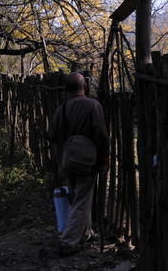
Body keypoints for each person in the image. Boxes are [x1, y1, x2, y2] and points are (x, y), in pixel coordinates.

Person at [49, 72, 109, 257]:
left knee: (77, 197)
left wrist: (61, 160)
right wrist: (104, 159)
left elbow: (54, 137)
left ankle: (86, 233)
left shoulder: (62, 109)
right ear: (84, 86)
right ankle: (68, 241)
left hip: (68, 160)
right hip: (86, 160)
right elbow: (101, 135)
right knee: (82, 201)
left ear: (66, 89)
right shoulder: (93, 105)